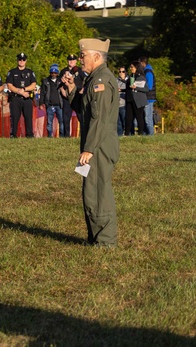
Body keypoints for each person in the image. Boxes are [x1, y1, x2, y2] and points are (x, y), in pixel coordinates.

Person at [62, 39, 120, 247]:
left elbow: (99, 119)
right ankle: (95, 237)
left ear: (96, 56)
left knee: (98, 191)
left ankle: (105, 241)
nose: (80, 59)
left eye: (83, 55)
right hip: (95, 144)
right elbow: (86, 111)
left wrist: (89, 148)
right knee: (91, 190)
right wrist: (71, 89)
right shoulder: (92, 79)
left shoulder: (101, 81)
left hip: (99, 146)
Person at [5, 52, 38, 138]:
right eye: (20, 59)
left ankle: (29, 135)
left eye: (23, 60)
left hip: (27, 98)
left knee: (28, 117)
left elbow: (33, 84)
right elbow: (9, 85)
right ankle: (13, 135)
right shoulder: (12, 72)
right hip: (16, 98)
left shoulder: (30, 72)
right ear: (17, 60)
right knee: (15, 117)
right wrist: (19, 92)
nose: (21, 61)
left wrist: (24, 90)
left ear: (26, 61)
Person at [59, 54, 86, 137]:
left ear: (76, 61)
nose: (71, 61)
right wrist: (62, 90)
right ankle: (67, 136)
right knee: (66, 118)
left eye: (73, 60)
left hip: (77, 96)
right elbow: (59, 83)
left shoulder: (80, 70)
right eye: (69, 60)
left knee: (81, 117)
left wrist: (83, 89)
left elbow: (85, 80)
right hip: (67, 97)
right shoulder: (64, 71)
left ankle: (83, 135)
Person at [41, 65, 64, 138]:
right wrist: (41, 103)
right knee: (49, 122)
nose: (53, 74)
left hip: (59, 105)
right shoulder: (45, 81)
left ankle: (62, 136)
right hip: (50, 105)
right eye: (52, 73)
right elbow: (42, 93)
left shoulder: (61, 81)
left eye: (55, 73)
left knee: (61, 122)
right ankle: (49, 136)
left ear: (57, 73)